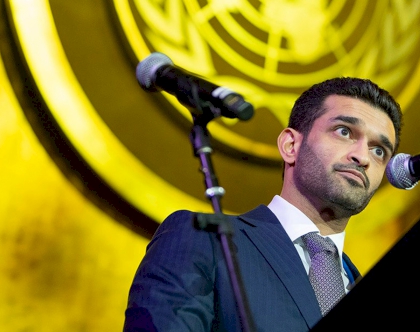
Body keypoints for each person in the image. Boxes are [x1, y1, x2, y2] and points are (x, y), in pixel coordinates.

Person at [123, 76, 404, 332]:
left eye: (379, 150)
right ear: (290, 146)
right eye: (344, 132)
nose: (363, 157)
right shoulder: (203, 240)